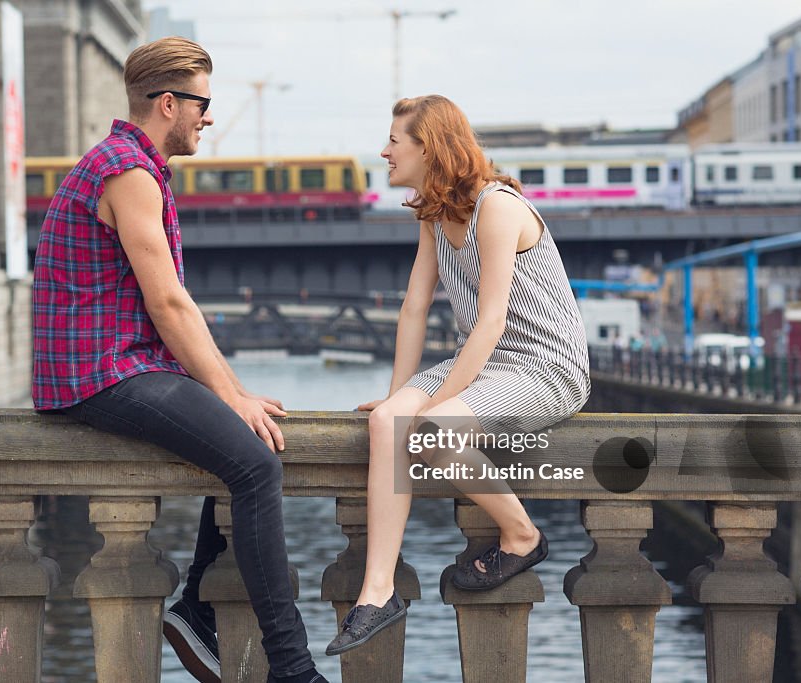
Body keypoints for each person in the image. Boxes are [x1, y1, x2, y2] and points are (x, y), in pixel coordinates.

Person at [31, 37, 327, 683]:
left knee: (245, 445)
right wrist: (232, 392)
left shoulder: (125, 163)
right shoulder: (128, 173)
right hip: (102, 371)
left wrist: (231, 394)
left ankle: (196, 607)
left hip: (115, 363)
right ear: (169, 103)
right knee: (253, 464)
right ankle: (293, 668)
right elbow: (168, 300)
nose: (209, 117)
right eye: (203, 104)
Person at [326, 95, 590, 655]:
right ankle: (377, 593)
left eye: (394, 141)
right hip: (486, 362)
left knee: (424, 431)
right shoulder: (433, 212)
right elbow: (414, 310)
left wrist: (429, 404)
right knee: (386, 424)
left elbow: (492, 318)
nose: (384, 151)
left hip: (545, 366)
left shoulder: (498, 207)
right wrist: (397, 396)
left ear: (430, 147)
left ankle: (522, 535)